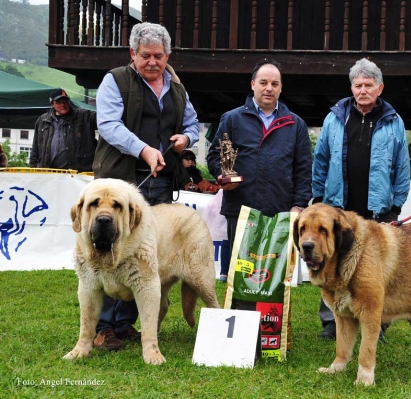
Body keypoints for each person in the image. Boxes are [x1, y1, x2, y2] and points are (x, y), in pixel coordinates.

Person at [92, 22, 200, 352]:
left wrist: (187, 138)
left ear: (167, 55)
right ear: (132, 54)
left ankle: (124, 324)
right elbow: (108, 124)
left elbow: (193, 124)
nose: (152, 62)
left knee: (145, 254)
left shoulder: (177, 88)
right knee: (111, 251)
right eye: (145, 56)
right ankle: (104, 327)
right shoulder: (115, 80)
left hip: (161, 183)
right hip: (121, 182)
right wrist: (144, 149)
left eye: (158, 56)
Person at [312, 58, 411, 342]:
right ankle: (332, 320)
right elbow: (321, 159)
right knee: (332, 261)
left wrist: (395, 206)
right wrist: (319, 200)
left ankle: (376, 323)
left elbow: (402, 167)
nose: (363, 90)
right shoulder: (334, 117)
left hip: (377, 209)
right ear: (352, 88)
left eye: (369, 85)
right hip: (337, 207)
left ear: (380, 88)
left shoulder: (394, 121)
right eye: (358, 85)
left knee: (375, 268)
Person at [206, 58, 312, 282]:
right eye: (263, 82)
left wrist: (298, 205)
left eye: (275, 84)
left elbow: (303, 170)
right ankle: (241, 313)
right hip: (240, 209)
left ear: (281, 88)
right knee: (240, 277)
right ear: (253, 84)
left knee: (273, 279)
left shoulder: (296, 124)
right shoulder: (232, 119)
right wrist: (222, 176)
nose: (269, 88)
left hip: (280, 212)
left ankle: (269, 317)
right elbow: (215, 155)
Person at [29, 88, 97, 171]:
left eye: (65, 101)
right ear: (52, 103)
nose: (63, 104)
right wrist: (32, 170)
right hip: (48, 173)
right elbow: (35, 149)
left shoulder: (84, 116)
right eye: (58, 102)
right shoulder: (42, 120)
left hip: (78, 174)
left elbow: (103, 119)